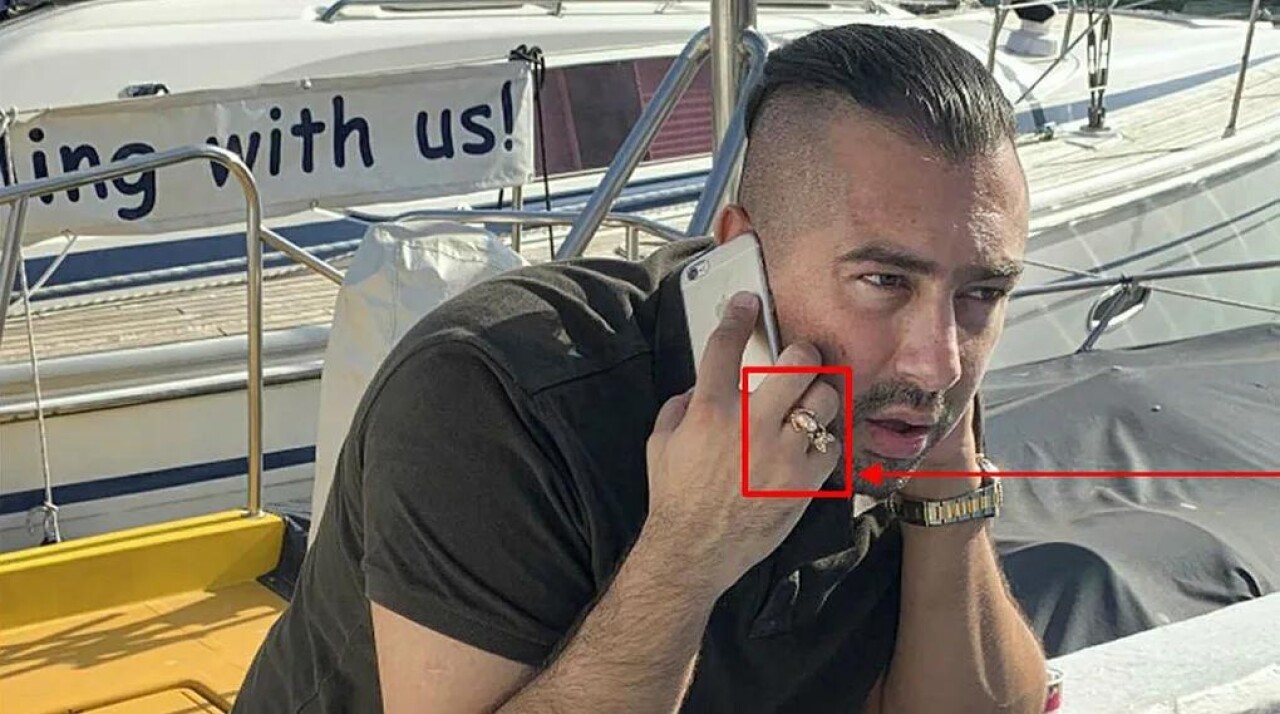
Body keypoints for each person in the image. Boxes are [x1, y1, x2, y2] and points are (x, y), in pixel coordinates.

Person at [235, 23, 1048, 714]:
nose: (938, 361)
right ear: (743, 256)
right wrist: (689, 551)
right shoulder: (493, 396)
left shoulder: (902, 391)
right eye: (884, 281)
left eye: (983, 293)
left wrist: (948, 482)